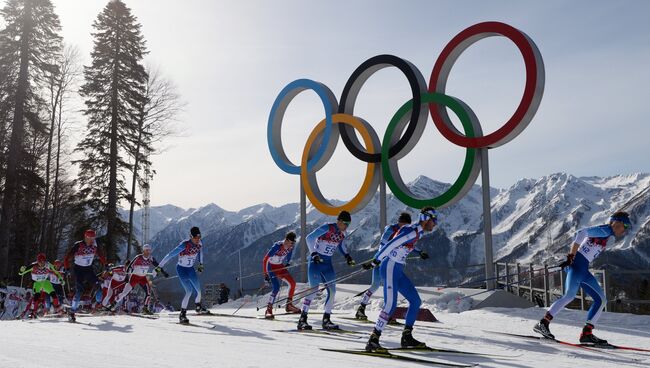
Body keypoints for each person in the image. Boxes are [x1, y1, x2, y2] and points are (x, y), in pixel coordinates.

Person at [533, 211, 631, 345]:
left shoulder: (608, 235)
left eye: (627, 227)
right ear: (616, 223)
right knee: (569, 296)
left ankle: (587, 333)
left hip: (583, 270)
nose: (625, 229)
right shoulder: (605, 230)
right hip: (577, 267)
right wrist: (571, 256)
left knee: (601, 300)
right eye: (624, 226)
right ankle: (543, 323)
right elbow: (581, 233)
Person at [365, 207, 438, 352]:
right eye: (434, 221)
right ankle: (373, 339)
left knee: (416, 301)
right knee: (390, 305)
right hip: (390, 267)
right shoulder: (411, 231)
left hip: (397, 269)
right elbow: (390, 244)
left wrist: (419, 252)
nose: (435, 224)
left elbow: (402, 244)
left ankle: (406, 337)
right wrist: (376, 260)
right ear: (426, 219)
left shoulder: (417, 231)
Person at [297, 211, 357, 331]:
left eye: (348, 224)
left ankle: (326, 320)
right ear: (339, 221)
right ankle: (302, 320)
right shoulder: (327, 228)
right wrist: (314, 254)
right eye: (345, 223)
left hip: (328, 264)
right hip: (316, 262)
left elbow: (341, 245)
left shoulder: (341, 233)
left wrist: (347, 256)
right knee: (313, 291)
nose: (346, 227)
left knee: (332, 291)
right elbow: (309, 238)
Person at [356, 212, 415, 320]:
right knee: (375, 286)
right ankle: (362, 308)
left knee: (389, 287)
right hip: (381, 260)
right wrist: (380, 258)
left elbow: (407, 243)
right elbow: (383, 244)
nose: (406, 227)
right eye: (404, 225)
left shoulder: (404, 231)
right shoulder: (391, 229)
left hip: (390, 261)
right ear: (401, 222)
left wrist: (419, 252)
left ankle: (387, 313)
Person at [157, 226, 206, 324]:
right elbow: (170, 255)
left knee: (198, 291)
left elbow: (200, 253)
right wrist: (160, 266)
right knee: (189, 291)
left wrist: (201, 264)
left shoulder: (199, 244)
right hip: (181, 269)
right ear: (191, 236)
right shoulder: (184, 245)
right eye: (196, 238)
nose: (197, 240)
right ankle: (182, 314)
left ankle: (198, 306)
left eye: (199, 237)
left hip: (191, 269)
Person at [63, 229, 106, 322]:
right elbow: (67, 258)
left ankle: (98, 305)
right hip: (78, 270)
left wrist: (106, 264)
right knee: (79, 291)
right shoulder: (78, 245)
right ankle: (72, 312)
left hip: (88, 269)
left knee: (98, 287)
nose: (91, 240)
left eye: (93, 238)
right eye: (89, 238)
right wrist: (66, 269)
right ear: (85, 237)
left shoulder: (94, 245)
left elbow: (101, 255)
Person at [112, 244, 161, 314]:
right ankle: (113, 304)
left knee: (149, 293)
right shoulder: (138, 257)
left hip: (143, 278)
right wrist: (126, 277)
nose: (148, 252)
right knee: (125, 292)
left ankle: (145, 308)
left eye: (149, 250)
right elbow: (130, 267)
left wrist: (159, 271)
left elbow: (158, 265)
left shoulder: (151, 258)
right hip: (134, 277)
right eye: (147, 250)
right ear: (143, 251)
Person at [263, 231, 300, 318]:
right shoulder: (277, 246)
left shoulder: (290, 247)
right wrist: (265, 274)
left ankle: (289, 305)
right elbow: (265, 259)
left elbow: (289, 254)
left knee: (292, 283)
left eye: (293, 243)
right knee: (276, 287)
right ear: (286, 240)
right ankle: (269, 309)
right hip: (271, 268)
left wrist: (288, 262)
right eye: (291, 243)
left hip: (280, 267)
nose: (292, 245)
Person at [18, 253, 64, 318]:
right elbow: (21, 273)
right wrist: (21, 270)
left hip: (45, 282)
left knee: (53, 294)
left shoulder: (48, 265)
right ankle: (33, 312)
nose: (42, 264)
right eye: (40, 262)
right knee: (36, 296)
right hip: (37, 283)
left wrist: (60, 279)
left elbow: (56, 272)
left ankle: (57, 308)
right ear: (38, 261)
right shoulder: (33, 266)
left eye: (43, 262)